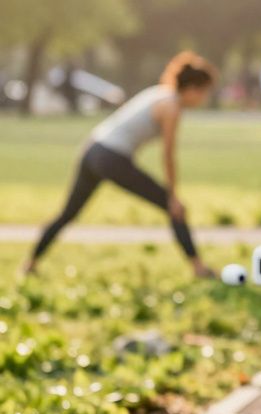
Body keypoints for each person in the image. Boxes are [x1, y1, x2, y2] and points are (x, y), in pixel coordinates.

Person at [25, 51, 218, 279]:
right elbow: (168, 155)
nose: (204, 99)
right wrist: (173, 195)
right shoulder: (171, 107)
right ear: (193, 89)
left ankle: (30, 264)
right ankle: (198, 268)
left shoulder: (158, 93)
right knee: (174, 208)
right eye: (205, 92)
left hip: (92, 149)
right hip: (111, 157)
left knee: (68, 213)